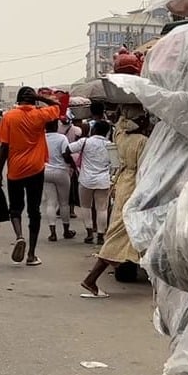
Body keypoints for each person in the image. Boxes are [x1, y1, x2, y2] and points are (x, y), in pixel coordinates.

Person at [81, 110, 150, 298]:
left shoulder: (120, 136)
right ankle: (91, 280)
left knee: (123, 231)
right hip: (133, 186)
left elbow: (119, 125)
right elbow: (145, 167)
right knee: (120, 234)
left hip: (122, 183)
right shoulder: (142, 142)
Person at [0, 87, 61, 266]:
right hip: (35, 169)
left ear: (17, 100)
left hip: (15, 169)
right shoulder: (40, 114)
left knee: (15, 208)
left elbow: (4, 147)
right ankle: (31, 254)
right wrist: (40, 98)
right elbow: (58, 106)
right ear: (33, 100)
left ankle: (19, 236)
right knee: (34, 211)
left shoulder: (8, 116)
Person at [69, 121, 113, 245]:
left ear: (93, 130)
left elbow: (68, 149)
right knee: (102, 208)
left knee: (86, 206)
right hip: (103, 180)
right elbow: (115, 163)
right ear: (107, 132)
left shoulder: (85, 142)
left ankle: (89, 233)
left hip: (85, 179)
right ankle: (100, 235)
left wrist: (74, 165)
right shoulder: (110, 145)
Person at [42, 120, 76, 242]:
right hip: (61, 172)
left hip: (45, 171)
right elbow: (66, 154)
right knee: (64, 203)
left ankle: (52, 233)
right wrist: (73, 166)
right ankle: (66, 230)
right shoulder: (62, 138)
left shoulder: (41, 138)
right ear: (56, 126)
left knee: (51, 202)